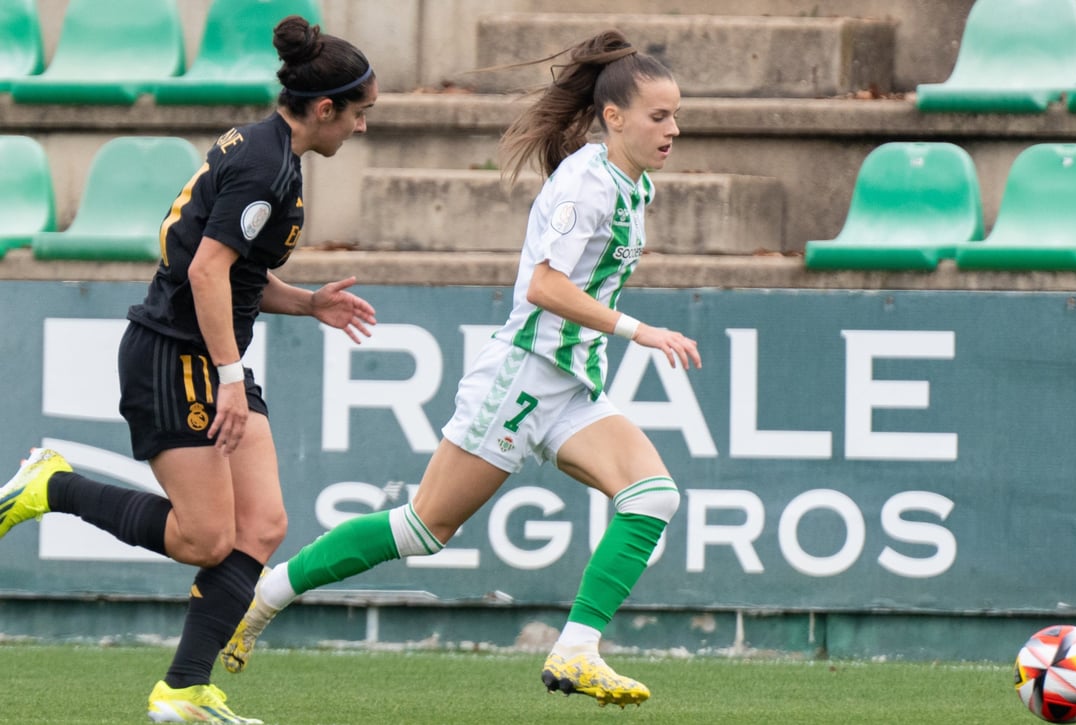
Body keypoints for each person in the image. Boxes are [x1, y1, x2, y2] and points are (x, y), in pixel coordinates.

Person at [216, 29, 698, 709]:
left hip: (570, 383)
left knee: (653, 496)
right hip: (523, 378)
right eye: (660, 115)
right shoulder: (586, 186)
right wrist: (639, 330)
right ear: (613, 117)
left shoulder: (631, 182)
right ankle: (261, 596)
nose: (673, 128)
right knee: (423, 528)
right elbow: (544, 287)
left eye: (677, 114)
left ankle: (577, 650)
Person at [0, 15, 379, 724]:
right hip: (177, 357)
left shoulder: (274, 150)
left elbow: (233, 274)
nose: (362, 127)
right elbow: (206, 271)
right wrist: (232, 378)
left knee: (262, 524)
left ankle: (183, 690)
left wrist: (308, 302)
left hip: (206, 354)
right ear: (326, 108)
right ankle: (53, 485)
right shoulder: (267, 163)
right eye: (361, 113)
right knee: (204, 538)